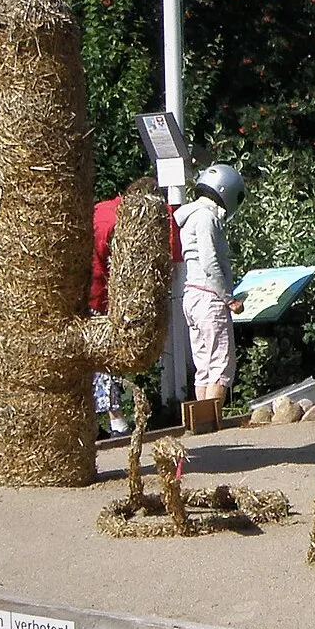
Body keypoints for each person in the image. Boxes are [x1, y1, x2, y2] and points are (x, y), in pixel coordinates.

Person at [90, 183, 181, 435]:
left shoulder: (100, 210)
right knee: (105, 360)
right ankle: (116, 420)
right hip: (107, 297)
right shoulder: (142, 220)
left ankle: (89, 422)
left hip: (82, 291)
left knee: (87, 361)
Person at [174, 163, 246, 412]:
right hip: (209, 298)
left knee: (204, 365)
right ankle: (211, 421)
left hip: (192, 295)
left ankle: (201, 423)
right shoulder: (207, 217)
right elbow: (210, 261)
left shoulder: (190, 216)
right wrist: (229, 299)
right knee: (221, 366)